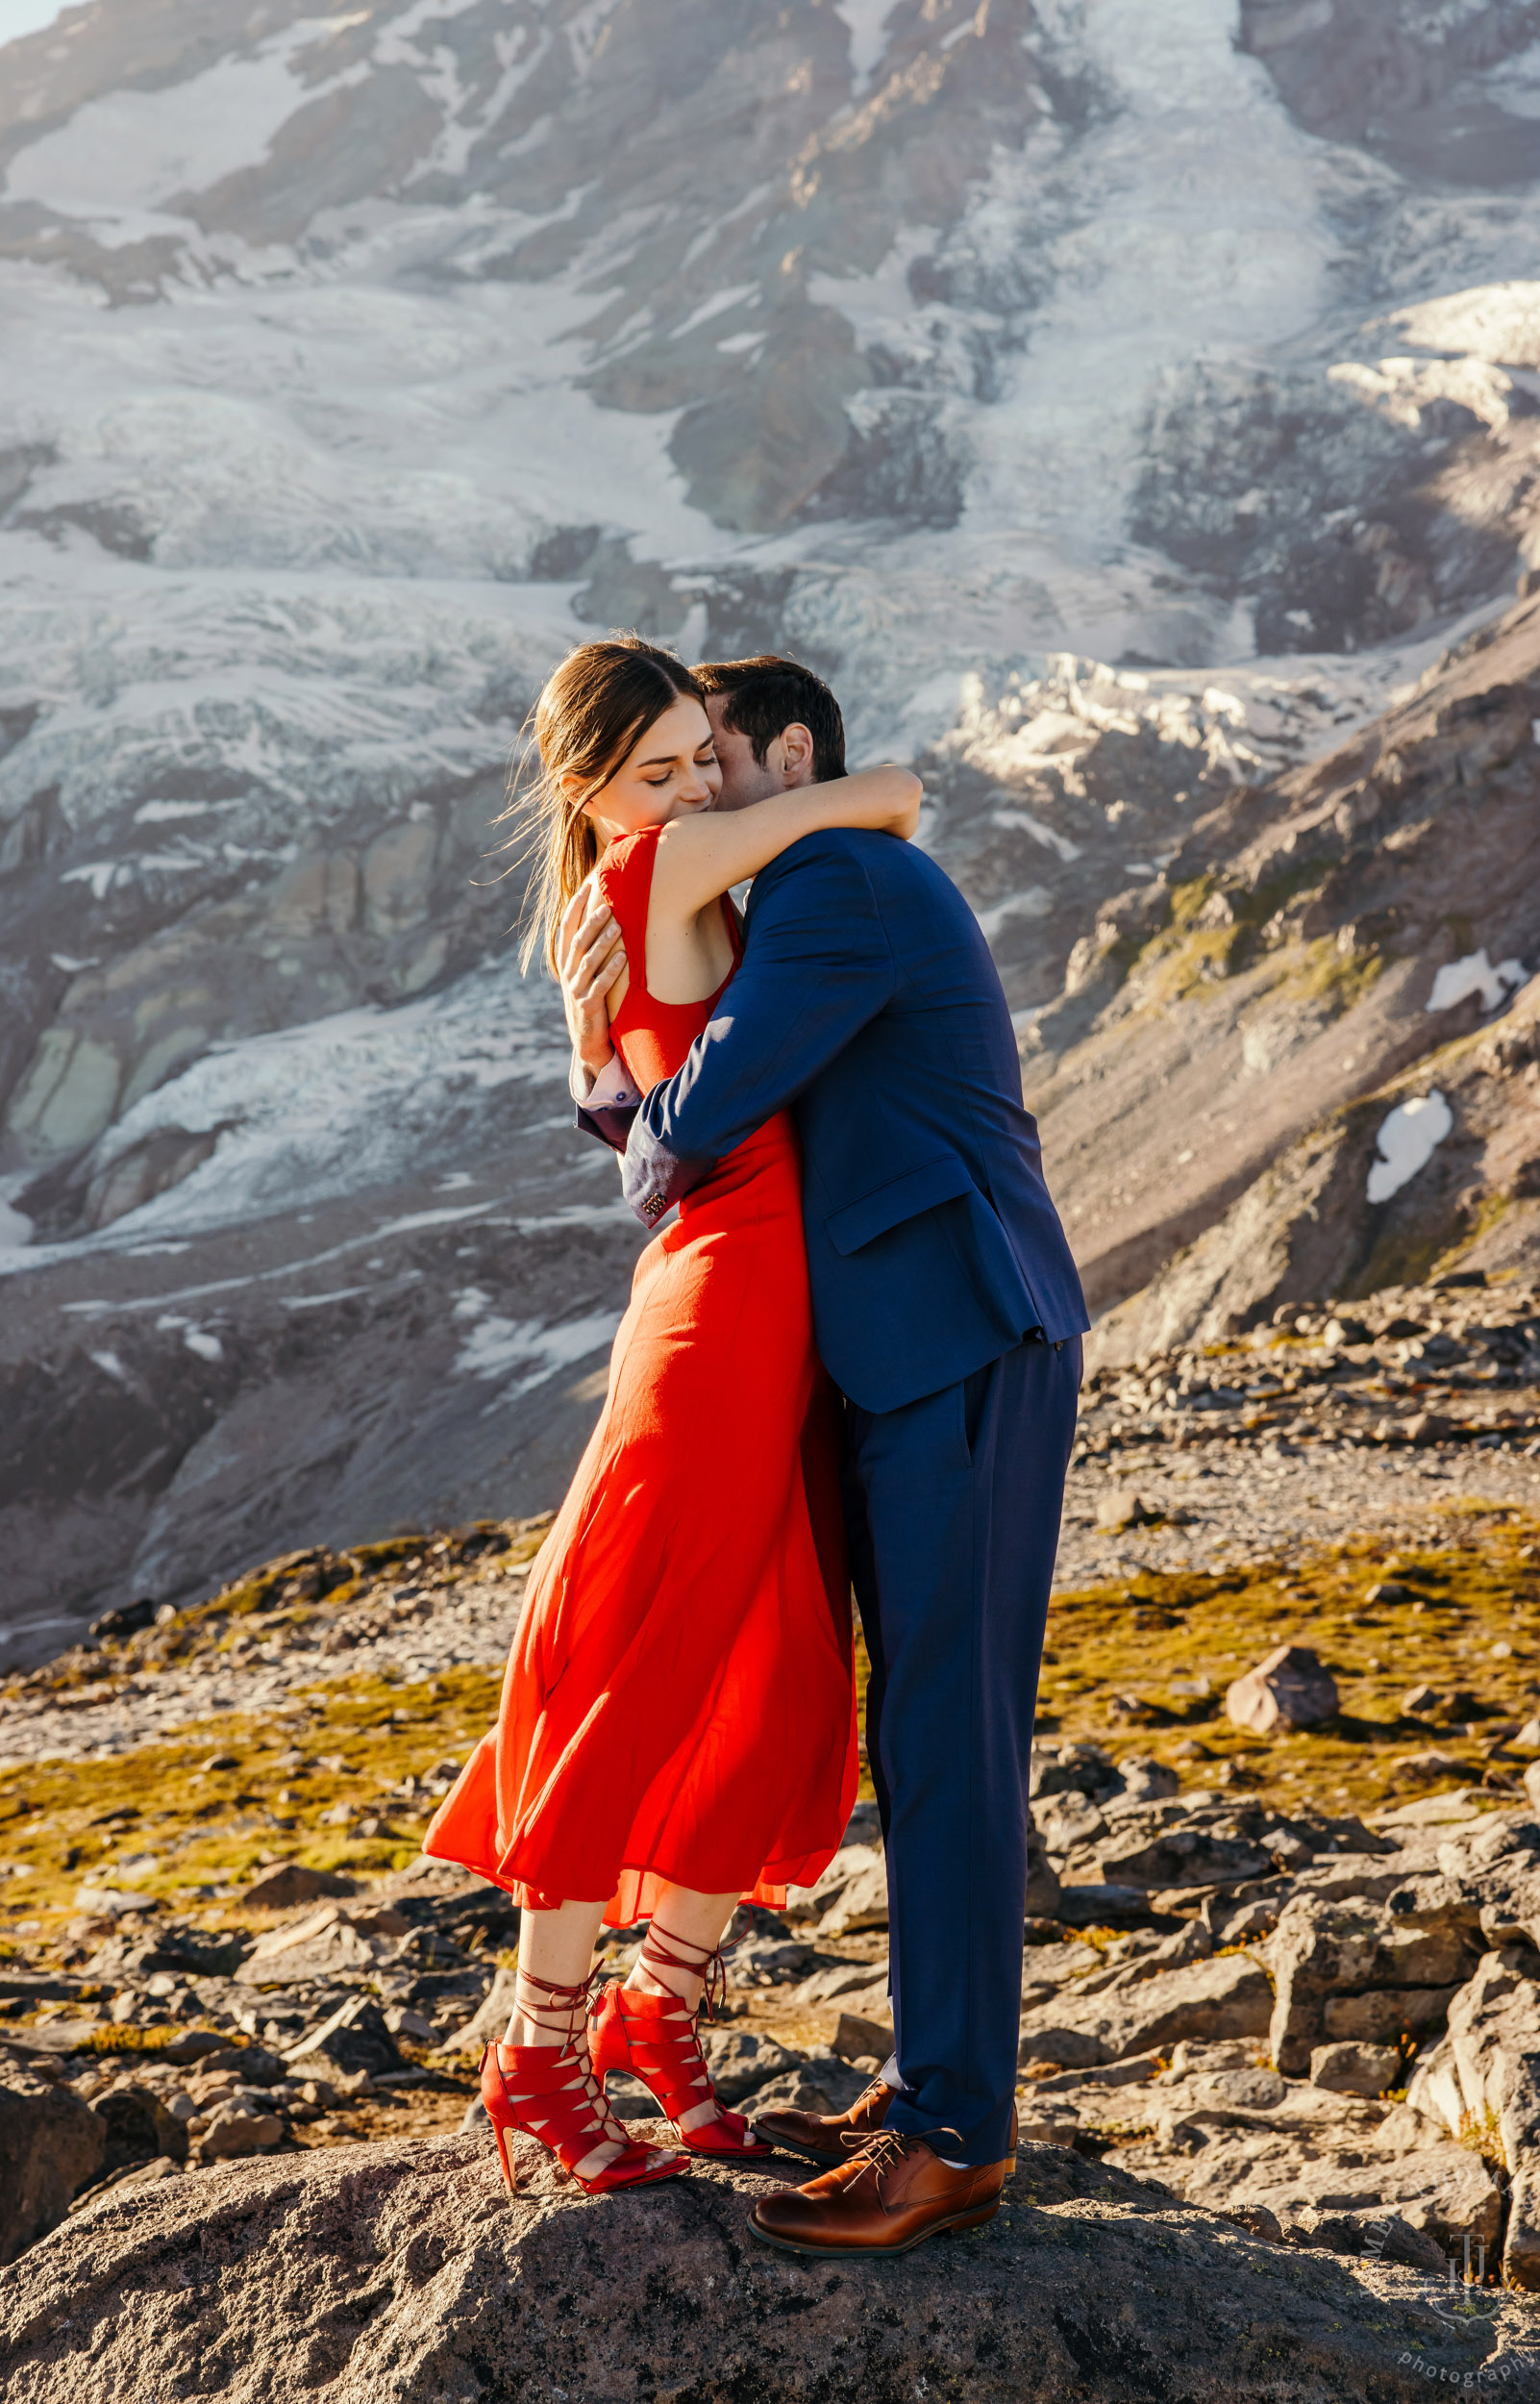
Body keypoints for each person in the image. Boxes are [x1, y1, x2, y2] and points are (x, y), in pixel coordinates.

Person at [562, 652, 1089, 2259]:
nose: (699, 794)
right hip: (905, 1345)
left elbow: (715, 1108)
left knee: (948, 1732)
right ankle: (940, 2086)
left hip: (957, 1331)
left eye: (714, 761)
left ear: (793, 752)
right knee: (920, 1726)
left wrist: (633, 1110)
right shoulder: (803, 884)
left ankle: (952, 2140)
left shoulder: (843, 877)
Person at [422, 636, 923, 2201]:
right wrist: (750, 809)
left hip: (762, 1300)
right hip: (724, 1311)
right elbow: (892, 797)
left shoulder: (631, 886)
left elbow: (649, 1107)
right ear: (593, 790)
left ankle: (661, 2006)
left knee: (776, 1668)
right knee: (641, 1661)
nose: (699, 783)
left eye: (706, 751)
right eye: (662, 765)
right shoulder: (656, 857)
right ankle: (539, 2043)